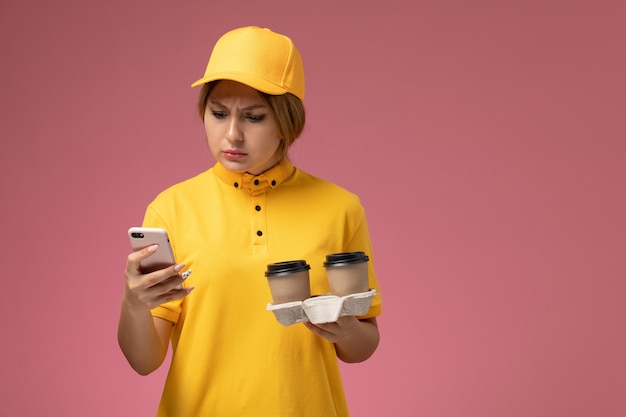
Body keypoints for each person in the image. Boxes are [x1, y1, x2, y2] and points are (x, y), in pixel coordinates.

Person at [118, 26, 382, 417]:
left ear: (287, 123)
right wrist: (134, 302)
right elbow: (143, 362)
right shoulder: (170, 208)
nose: (232, 134)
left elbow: (361, 347)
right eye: (218, 113)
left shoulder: (340, 208)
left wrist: (345, 329)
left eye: (254, 117)